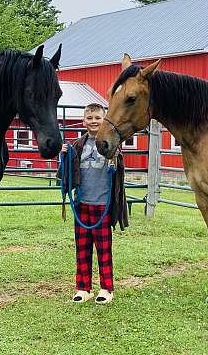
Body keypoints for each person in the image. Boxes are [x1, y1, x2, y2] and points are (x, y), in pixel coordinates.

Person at [58, 103, 128, 304]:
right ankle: (83, 287)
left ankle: (106, 288)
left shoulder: (110, 143)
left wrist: (116, 159)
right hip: (82, 204)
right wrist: (64, 155)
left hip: (103, 205)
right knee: (82, 248)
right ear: (83, 121)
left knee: (104, 249)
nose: (94, 121)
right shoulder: (77, 145)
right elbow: (66, 173)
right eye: (90, 118)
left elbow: (119, 168)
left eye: (98, 118)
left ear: (104, 119)